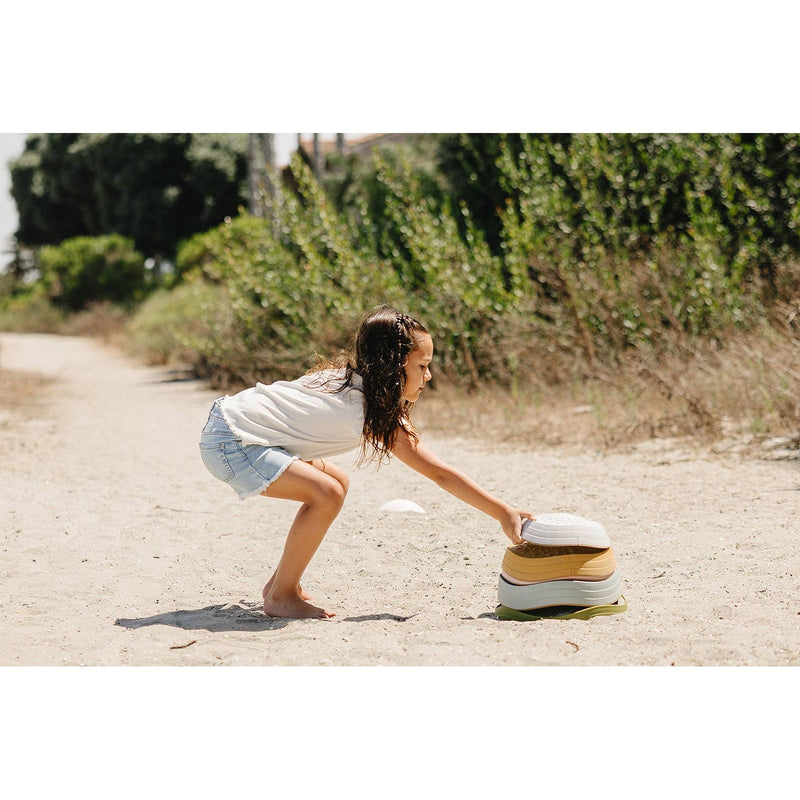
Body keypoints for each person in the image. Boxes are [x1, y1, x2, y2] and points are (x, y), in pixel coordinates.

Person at [199, 306, 534, 619]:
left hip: (230, 424)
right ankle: (281, 597)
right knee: (326, 494)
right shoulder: (372, 412)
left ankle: (279, 585)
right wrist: (503, 512)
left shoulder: (345, 379)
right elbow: (440, 474)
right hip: (232, 442)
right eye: (422, 366)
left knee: (337, 483)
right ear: (394, 364)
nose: (429, 375)